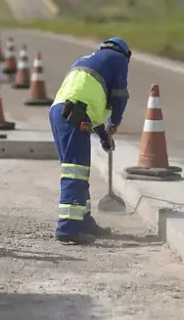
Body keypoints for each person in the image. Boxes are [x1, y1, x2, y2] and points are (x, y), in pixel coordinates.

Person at [49, 37, 131, 245]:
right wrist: (114, 123)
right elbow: (120, 95)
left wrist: (104, 137)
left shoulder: (87, 60)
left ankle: (83, 221)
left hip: (61, 112)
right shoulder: (118, 59)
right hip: (75, 114)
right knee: (76, 171)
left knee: (76, 169)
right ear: (126, 54)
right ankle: (68, 227)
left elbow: (88, 101)